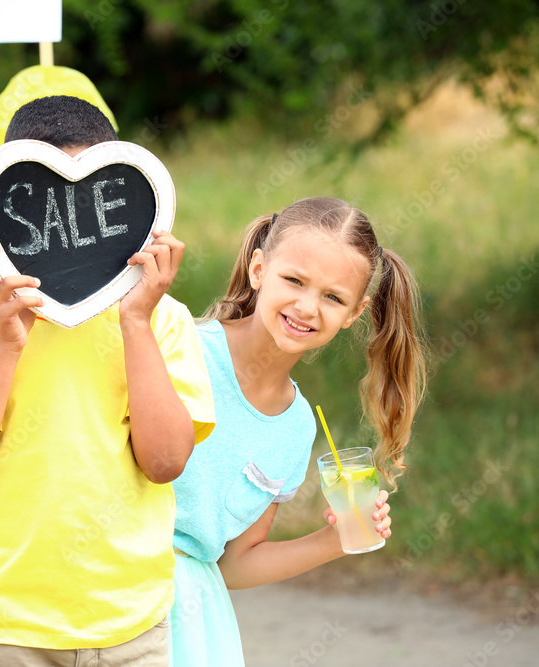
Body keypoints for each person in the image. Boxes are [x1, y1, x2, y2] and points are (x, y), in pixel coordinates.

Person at [0, 95, 216, 667]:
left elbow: (164, 462)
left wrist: (135, 320)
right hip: (9, 621)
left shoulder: (163, 320)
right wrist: (7, 344)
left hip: (129, 619)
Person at [169, 197, 427, 665]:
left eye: (333, 297)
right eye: (294, 281)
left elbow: (231, 564)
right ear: (258, 270)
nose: (308, 307)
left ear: (355, 312)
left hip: (193, 623)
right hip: (115, 588)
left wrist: (334, 542)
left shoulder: (296, 427)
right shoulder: (180, 350)